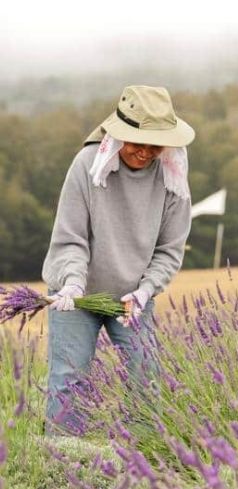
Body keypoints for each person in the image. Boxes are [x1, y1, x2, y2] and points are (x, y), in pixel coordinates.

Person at [42, 85, 195, 435]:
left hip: (132, 299)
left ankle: (144, 459)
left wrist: (145, 291)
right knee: (69, 381)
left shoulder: (171, 176)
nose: (145, 152)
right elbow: (71, 237)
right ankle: (63, 463)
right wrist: (72, 282)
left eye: (155, 145)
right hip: (77, 294)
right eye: (136, 143)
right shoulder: (86, 166)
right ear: (117, 134)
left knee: (146, 377)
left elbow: (170, 249)